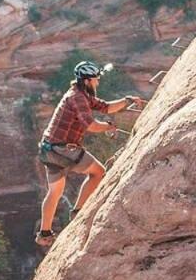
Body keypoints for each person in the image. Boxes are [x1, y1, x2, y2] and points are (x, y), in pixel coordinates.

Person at [35, 60, 146, 247]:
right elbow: (92, 125)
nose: (98, 83)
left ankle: (44, 234)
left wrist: (127, 100)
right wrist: (109, 127)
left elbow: (106, 107)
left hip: (49, 148)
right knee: (98, 172)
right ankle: (78, 212)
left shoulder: (80, 94)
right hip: (64, 149)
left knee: (54, 192)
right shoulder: (78, 98)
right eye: (95, 80)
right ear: (86, 81)